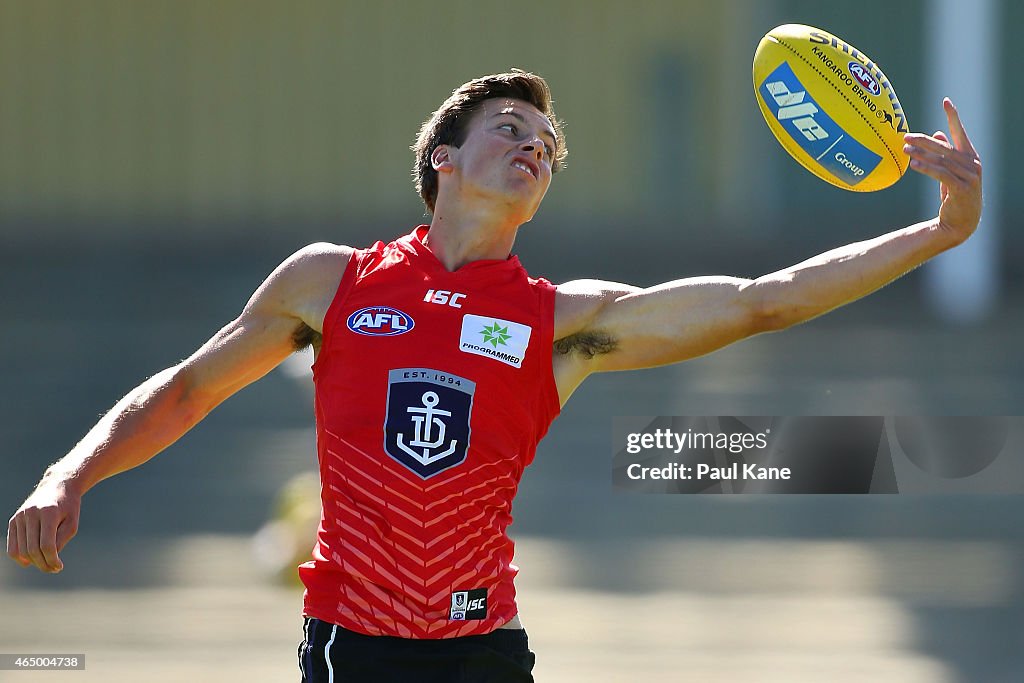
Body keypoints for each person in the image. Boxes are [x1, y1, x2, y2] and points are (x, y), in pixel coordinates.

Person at [7, 69, 982, 682]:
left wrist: (939, 233)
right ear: (442, 158)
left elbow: (764, 296)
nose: (533, 146)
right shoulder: (330, 280)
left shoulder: (561, 320)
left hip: (488, 650)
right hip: (360, 652)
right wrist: (69, 473)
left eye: (546, 145)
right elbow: (183, 391)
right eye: (511, 127)